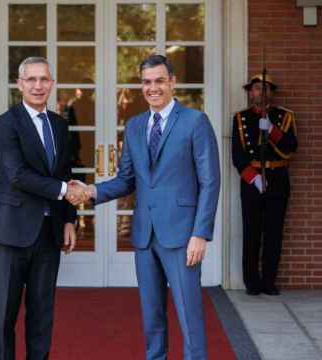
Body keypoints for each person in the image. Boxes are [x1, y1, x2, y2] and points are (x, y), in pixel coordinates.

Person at [73, 54, 220, 360]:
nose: (153, 88)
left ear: (172, 82)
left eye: (159, 81)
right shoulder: (136, 126)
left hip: (182, 236)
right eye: (147, 82)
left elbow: (210, 182)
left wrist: (201, 234)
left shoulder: (195, 122)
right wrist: (91, 191)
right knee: (152, 317)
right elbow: (127, 179)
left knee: (189, 317)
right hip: (144, 235)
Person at [0, 56, 83, 360]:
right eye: (31, 79)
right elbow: (17, 175)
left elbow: (66, 169)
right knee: (3, 316)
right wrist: (67, 191)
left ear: (52, 84)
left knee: (42, 314)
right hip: (11, 231)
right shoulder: (6, 124)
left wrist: (69, 219)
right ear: (20, 84)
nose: (38, 86)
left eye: (44, 79)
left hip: (48, 232)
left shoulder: (60, 125)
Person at [231, 73, 298, 296]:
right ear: (251, 93)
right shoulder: (240, 118)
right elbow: (238, 155)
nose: (261, 92)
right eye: (257, 88)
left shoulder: (285, 117)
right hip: (251, 181)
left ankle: (269, 281)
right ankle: (252, 282)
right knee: (251, 231)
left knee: (274, 232)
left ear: (271, 93)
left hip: (278, 177)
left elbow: (291, 147)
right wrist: (254, 177)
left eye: (265, 88)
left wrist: (271, 130)